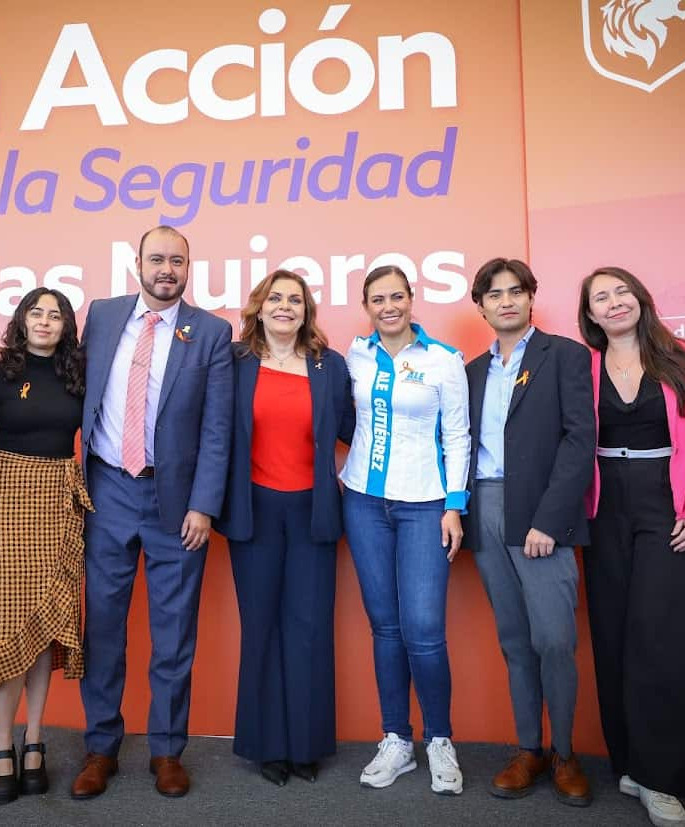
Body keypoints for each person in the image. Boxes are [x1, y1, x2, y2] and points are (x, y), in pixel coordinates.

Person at [70, 225, 233, 800]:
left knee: (173, 633)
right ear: (137, 263)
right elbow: (66, 377)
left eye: (177, 261)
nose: (167, 269)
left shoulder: (211, 332)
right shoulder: (103, 315)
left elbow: (218, 428)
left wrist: (204, 506)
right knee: (102, 628)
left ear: (189, 267)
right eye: (157, 259)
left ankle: (166, 750)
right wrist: (7, 356)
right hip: (107, 492)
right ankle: (100, 748)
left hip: (176, 503)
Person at [215, 270, 354, 787]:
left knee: (309, 627)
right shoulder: (235, 361)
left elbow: (356, 427)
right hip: (253, 510)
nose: (285, 307)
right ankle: (268, 746)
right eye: (275, 298)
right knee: (263, 627)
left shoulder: (329, 365)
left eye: (295, 300)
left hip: (312, 511)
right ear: (259, 306)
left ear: (306, 311)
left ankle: (306, 745)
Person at [463, 258, 594, 807]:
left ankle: (564, 753)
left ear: (531, 297)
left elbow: (579, 441)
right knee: (515, 639)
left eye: (516, 291)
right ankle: (528, 749)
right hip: (486, 508)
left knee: (554, 640)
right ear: (482, 306)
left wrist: (549, 519)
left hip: (541, 513)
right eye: (494, 294)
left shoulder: (564, 355)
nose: (506, 301)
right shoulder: (471, 371)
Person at [339, 265, 469, 795]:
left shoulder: (443, 359)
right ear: (366, 306)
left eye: (396, 296)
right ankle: (396, 738)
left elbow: (458, 435)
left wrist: (454, 505)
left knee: (424, 630)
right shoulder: (354, 356)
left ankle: (440, 739)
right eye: (378, 299)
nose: (388, 306)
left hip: (425, 505)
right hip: (363, 503)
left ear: (412, 300)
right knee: (385, 627)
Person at [0, 288, 91, 805]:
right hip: (6, 503)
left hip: (60, 503)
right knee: (10, 624)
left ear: (66, 326)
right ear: (22, 319)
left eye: (55, 315)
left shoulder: (78, 373)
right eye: (36, 312)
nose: (44, 321)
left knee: (45, 628)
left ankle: (34, 740)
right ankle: (2, 743)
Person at [578, 266, 685, 827]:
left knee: (656, 636)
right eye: (602, 297)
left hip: (663, 501)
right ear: (590, 315)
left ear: (640, 299)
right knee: (612, 633)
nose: (614, 302)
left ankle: (660, 776)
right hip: (602, 506)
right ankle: (628, 762)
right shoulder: (582, 367)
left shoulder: (677, 359)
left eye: (622, 291)